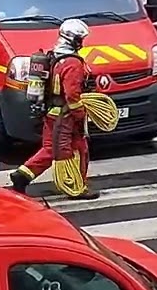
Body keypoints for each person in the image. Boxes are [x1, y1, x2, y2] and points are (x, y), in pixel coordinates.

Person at [9, 19, 99, 200]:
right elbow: (72, 95)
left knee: (50, 149)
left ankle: (22, 176)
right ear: (74, 40)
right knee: (79, 149)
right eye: (81, 38)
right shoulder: (72, 63)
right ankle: (77, 186)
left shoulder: (53, 56)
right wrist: (80, 115)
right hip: (66, 116)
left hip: (51, 112)